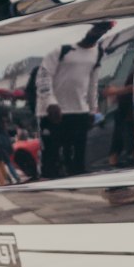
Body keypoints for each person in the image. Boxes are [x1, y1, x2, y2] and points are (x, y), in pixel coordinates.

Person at [35, 21, 112, 176]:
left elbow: (93, 83)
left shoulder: (98, 53)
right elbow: (44, 75)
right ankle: (52, 181)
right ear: (88, 30)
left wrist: (92, 110)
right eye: (96, 28)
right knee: (52, 154)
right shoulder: (63, 49)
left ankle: (77, 180)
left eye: (103, 30)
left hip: (79, 111)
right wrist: (50, 102)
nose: (98, 32)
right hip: (52, 112)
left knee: (78, 155)